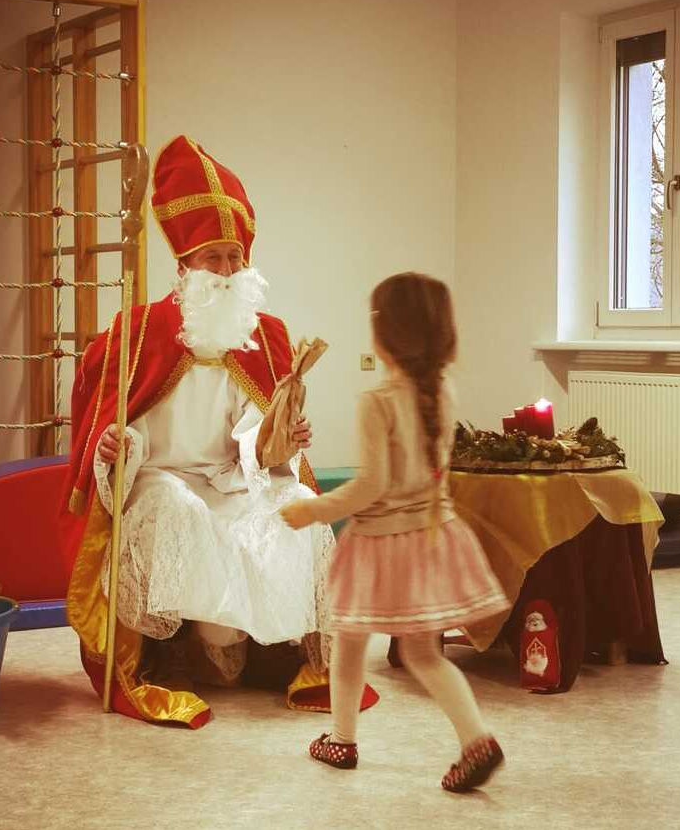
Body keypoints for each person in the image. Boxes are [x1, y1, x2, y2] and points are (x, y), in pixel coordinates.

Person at [58, 135, 377, 727]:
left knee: (297, 502)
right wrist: (117, 446)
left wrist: (276, 443)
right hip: (163, 477)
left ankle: (272, 650)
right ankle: (167, 652)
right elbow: (129, 424)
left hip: (230, 477)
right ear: (186, 265)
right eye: (214, 258)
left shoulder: (263, 333)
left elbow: (253, 431)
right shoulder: (142, 331)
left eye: (236, 257)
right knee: (176, 510)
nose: (229, 271)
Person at [279, 272, 508, 790]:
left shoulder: (377, 401)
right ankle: (476, 739)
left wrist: (313, 510)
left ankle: (342, 738)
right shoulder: (444, 390)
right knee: (423, 653)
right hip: (432, 533)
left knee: (349, 639)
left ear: (384, 333)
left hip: (379, 542)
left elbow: (369, 487)